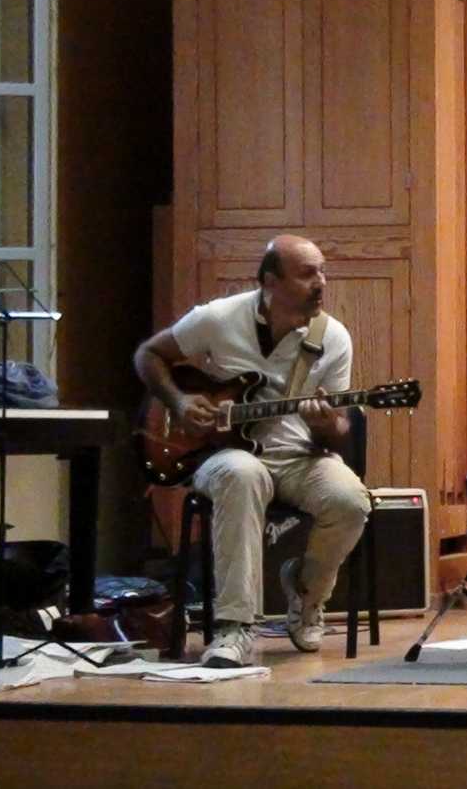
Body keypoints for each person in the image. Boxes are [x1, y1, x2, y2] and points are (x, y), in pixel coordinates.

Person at [135, 235, 369, 666]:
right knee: (242, 474)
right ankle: (235, 627)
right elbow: (149, 355)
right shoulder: (218, 318)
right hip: (224, 455)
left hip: (299, 455)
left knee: (350, 501)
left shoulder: (332, 337)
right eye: (307, 274)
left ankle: (306, 592)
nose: (320, 282)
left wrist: (326, 425)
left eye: (322, 272)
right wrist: (180, 403)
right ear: (270, 281)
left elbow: (338, 431)